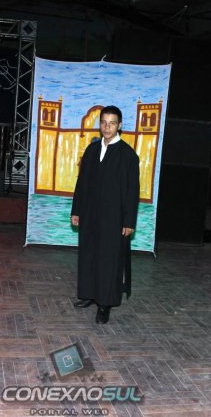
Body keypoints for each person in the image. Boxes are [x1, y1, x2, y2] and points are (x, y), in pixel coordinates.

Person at [71, 105, 140, 324]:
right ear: (99, 124)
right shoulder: (91, 150)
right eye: (103, 122)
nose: (107, 127)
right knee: (89, 255)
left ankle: (105, 304)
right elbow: (82, 182)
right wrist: (76, 209)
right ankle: (89, 294)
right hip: (90, 214)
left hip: (114, 217)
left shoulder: (128, 155)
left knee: (109, 260)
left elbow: (132, 191)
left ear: (120, 125)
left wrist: (129, 221)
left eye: (112, 123)